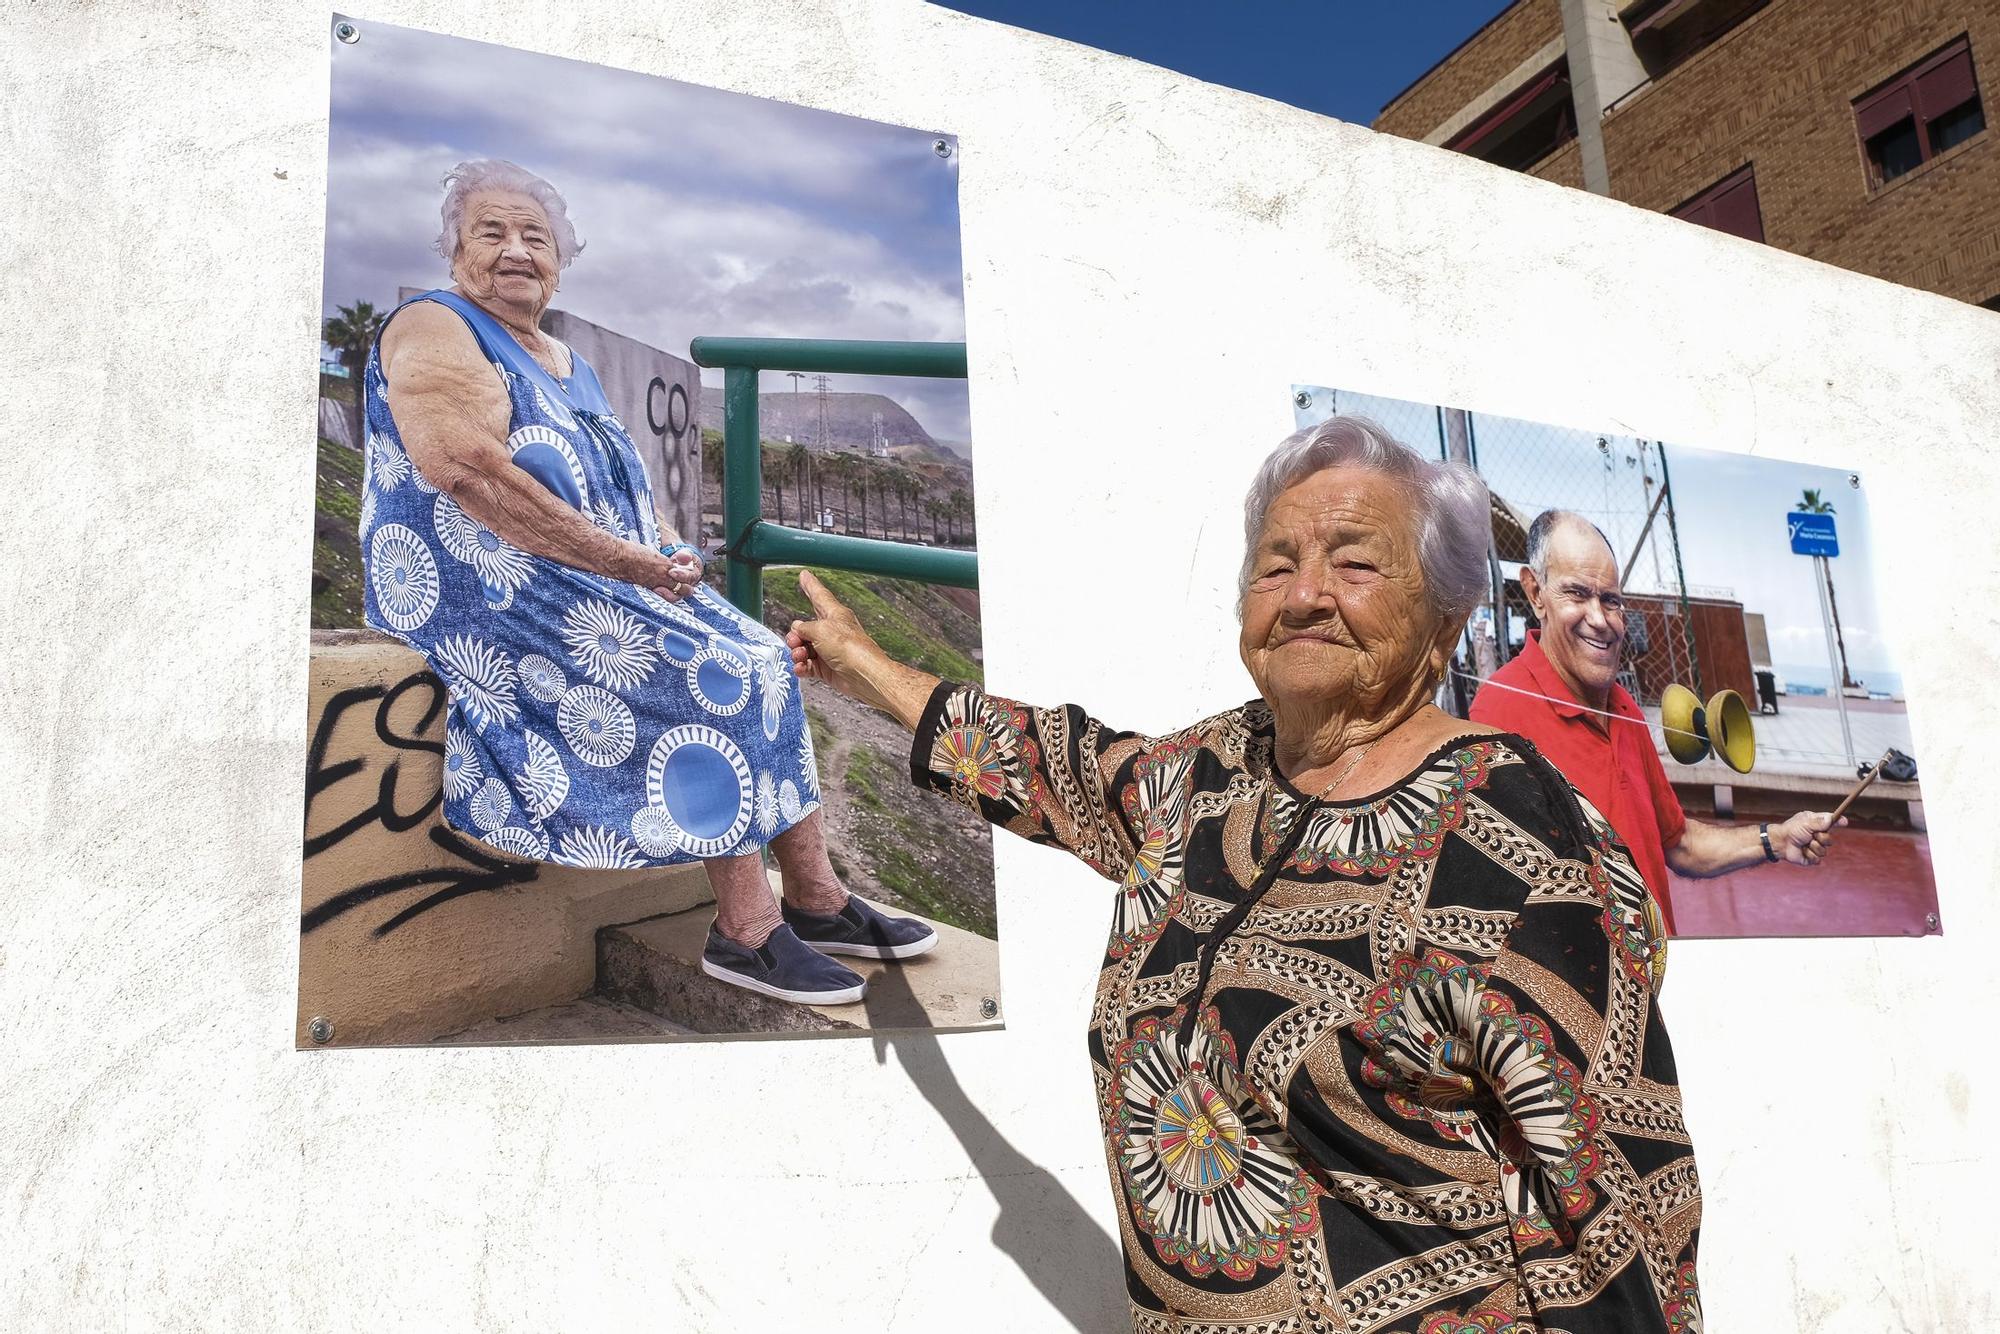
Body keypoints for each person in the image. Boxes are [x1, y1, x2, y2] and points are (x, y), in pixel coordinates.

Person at [789, 417, 1704, 1330]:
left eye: (1354, 564)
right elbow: (1051, 764)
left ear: (1445, 620)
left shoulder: (1521, 833)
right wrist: (866, 667)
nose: (1304, 594)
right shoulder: (1210, 777)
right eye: (1275, 565)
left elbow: (1619, 1201)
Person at [357, 158, 934, 1007]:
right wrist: (627, 566)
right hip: (485, 579)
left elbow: (617, 487)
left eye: (536, 237)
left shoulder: (563, 358)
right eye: (492, 233)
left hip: (586, 566)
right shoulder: (434, 326)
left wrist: (670, 553)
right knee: (716, 673)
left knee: (760, 653)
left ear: (560, 259)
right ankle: (744, 932)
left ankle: (816, 900)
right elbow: (466, 472)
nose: (516, 250)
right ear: (454, 252)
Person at [1469, 510, 1842, 934]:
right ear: (1535, 592)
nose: (1600, 619)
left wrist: (1777, 837)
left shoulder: (1623, 707)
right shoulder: (1499, 710)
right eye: (1577, 594)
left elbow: (1678, 842)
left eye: (1611, 600)